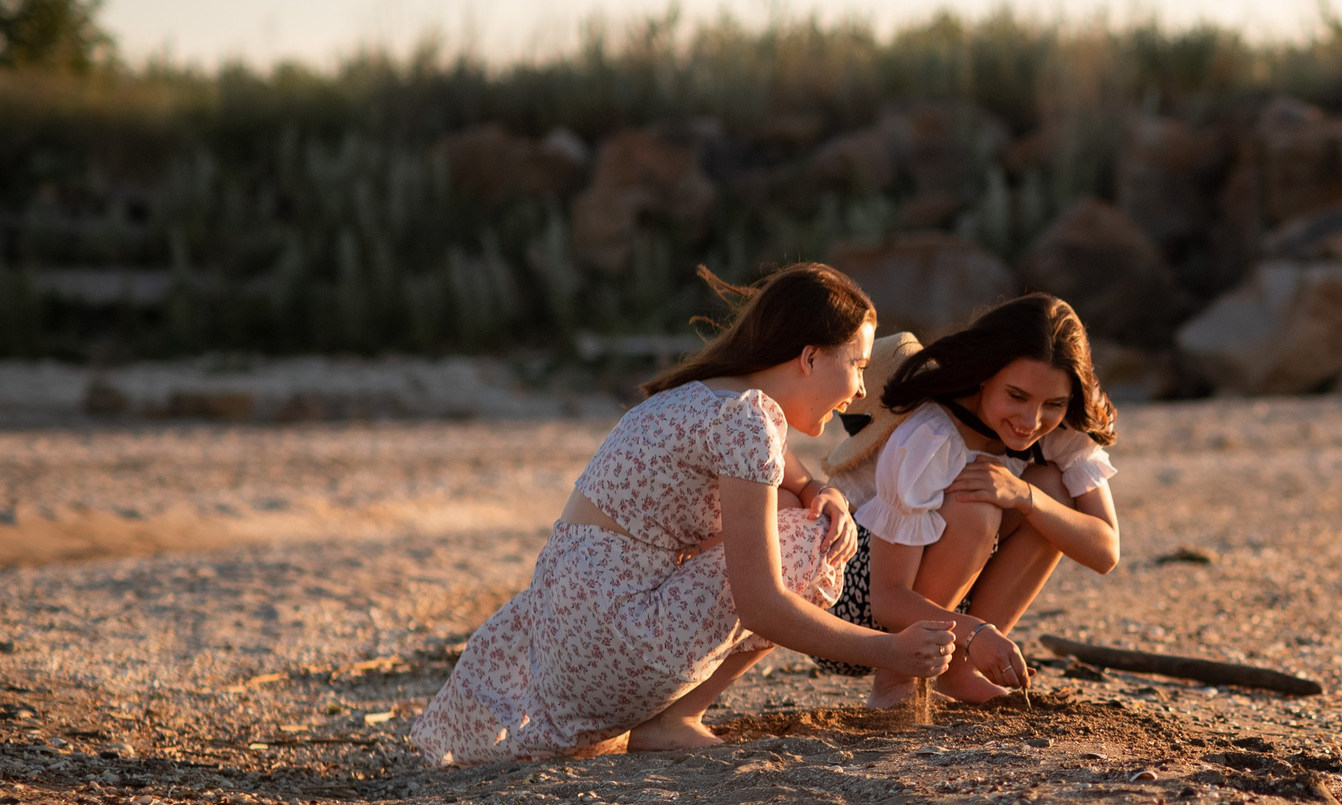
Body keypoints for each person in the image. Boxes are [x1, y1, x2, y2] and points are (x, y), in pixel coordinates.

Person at [410, 263, 957, 764]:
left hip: (563, 635)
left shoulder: (709, 396)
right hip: (614, 637)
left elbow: (780, 467)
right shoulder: (750, 419)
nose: (860, 388)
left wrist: (818, 486)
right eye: (857, 365)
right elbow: (762, 604)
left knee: (799, 507)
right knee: (816, 537)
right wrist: (890, 648)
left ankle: (669, 714)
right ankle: (675, 718)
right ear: (809, 357)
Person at [822, 293, 1121, 708]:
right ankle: (896, 684)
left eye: (1052, 404)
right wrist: (976, 632)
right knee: (975, 502)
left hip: (939, 606)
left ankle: (959, 671)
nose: (1031, 421)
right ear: (985, 376)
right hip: (849, 605)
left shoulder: (1061, 431)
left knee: (1052, 490)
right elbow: (888, 599)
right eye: (1016, 396)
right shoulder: (930, 438)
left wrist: (1026, 496)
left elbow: (1105, 551)